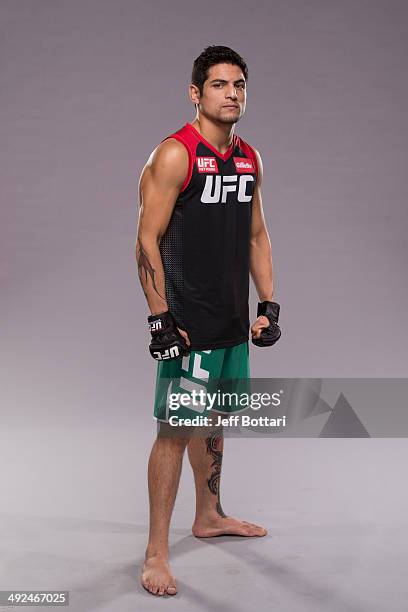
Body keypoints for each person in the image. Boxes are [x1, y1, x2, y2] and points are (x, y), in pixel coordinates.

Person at [135, 45, 281, 597]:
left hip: (230, 320)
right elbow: (145, 239)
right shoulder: (177, 154)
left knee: (214, 418)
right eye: (219, 85)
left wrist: (267, 305)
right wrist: (159, 320)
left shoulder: (249, 158)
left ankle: (210, 514)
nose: (232, 94)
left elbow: (256, 235)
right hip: (187, 323)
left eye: (239, 85)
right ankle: (155, 553)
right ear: (197, 94)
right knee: (173, 430)